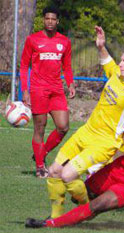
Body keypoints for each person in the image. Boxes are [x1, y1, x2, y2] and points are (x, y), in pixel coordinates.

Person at [44, 34, 124, 219]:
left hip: (105, 142)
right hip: (86, 132)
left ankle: (86, 208)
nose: (121, 64)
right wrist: (101, 46)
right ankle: (55, 218)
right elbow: (107, 61)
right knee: (54, 171)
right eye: (121, 60)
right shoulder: (117, 74)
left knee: (67, 176)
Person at [19, 6, 75, 178]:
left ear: (57, 21)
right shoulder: (32, 40)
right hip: (38, 90)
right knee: (40, 128)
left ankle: (40, 154)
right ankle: (40, 166)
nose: (50, 22)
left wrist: (71, 84)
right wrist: (25, 90)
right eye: (47, 19)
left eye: (53, 19)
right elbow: (23, 66)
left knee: (63, 127)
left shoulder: (64, 41)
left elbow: (66, 66)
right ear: (44, 20)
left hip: (57, 90)